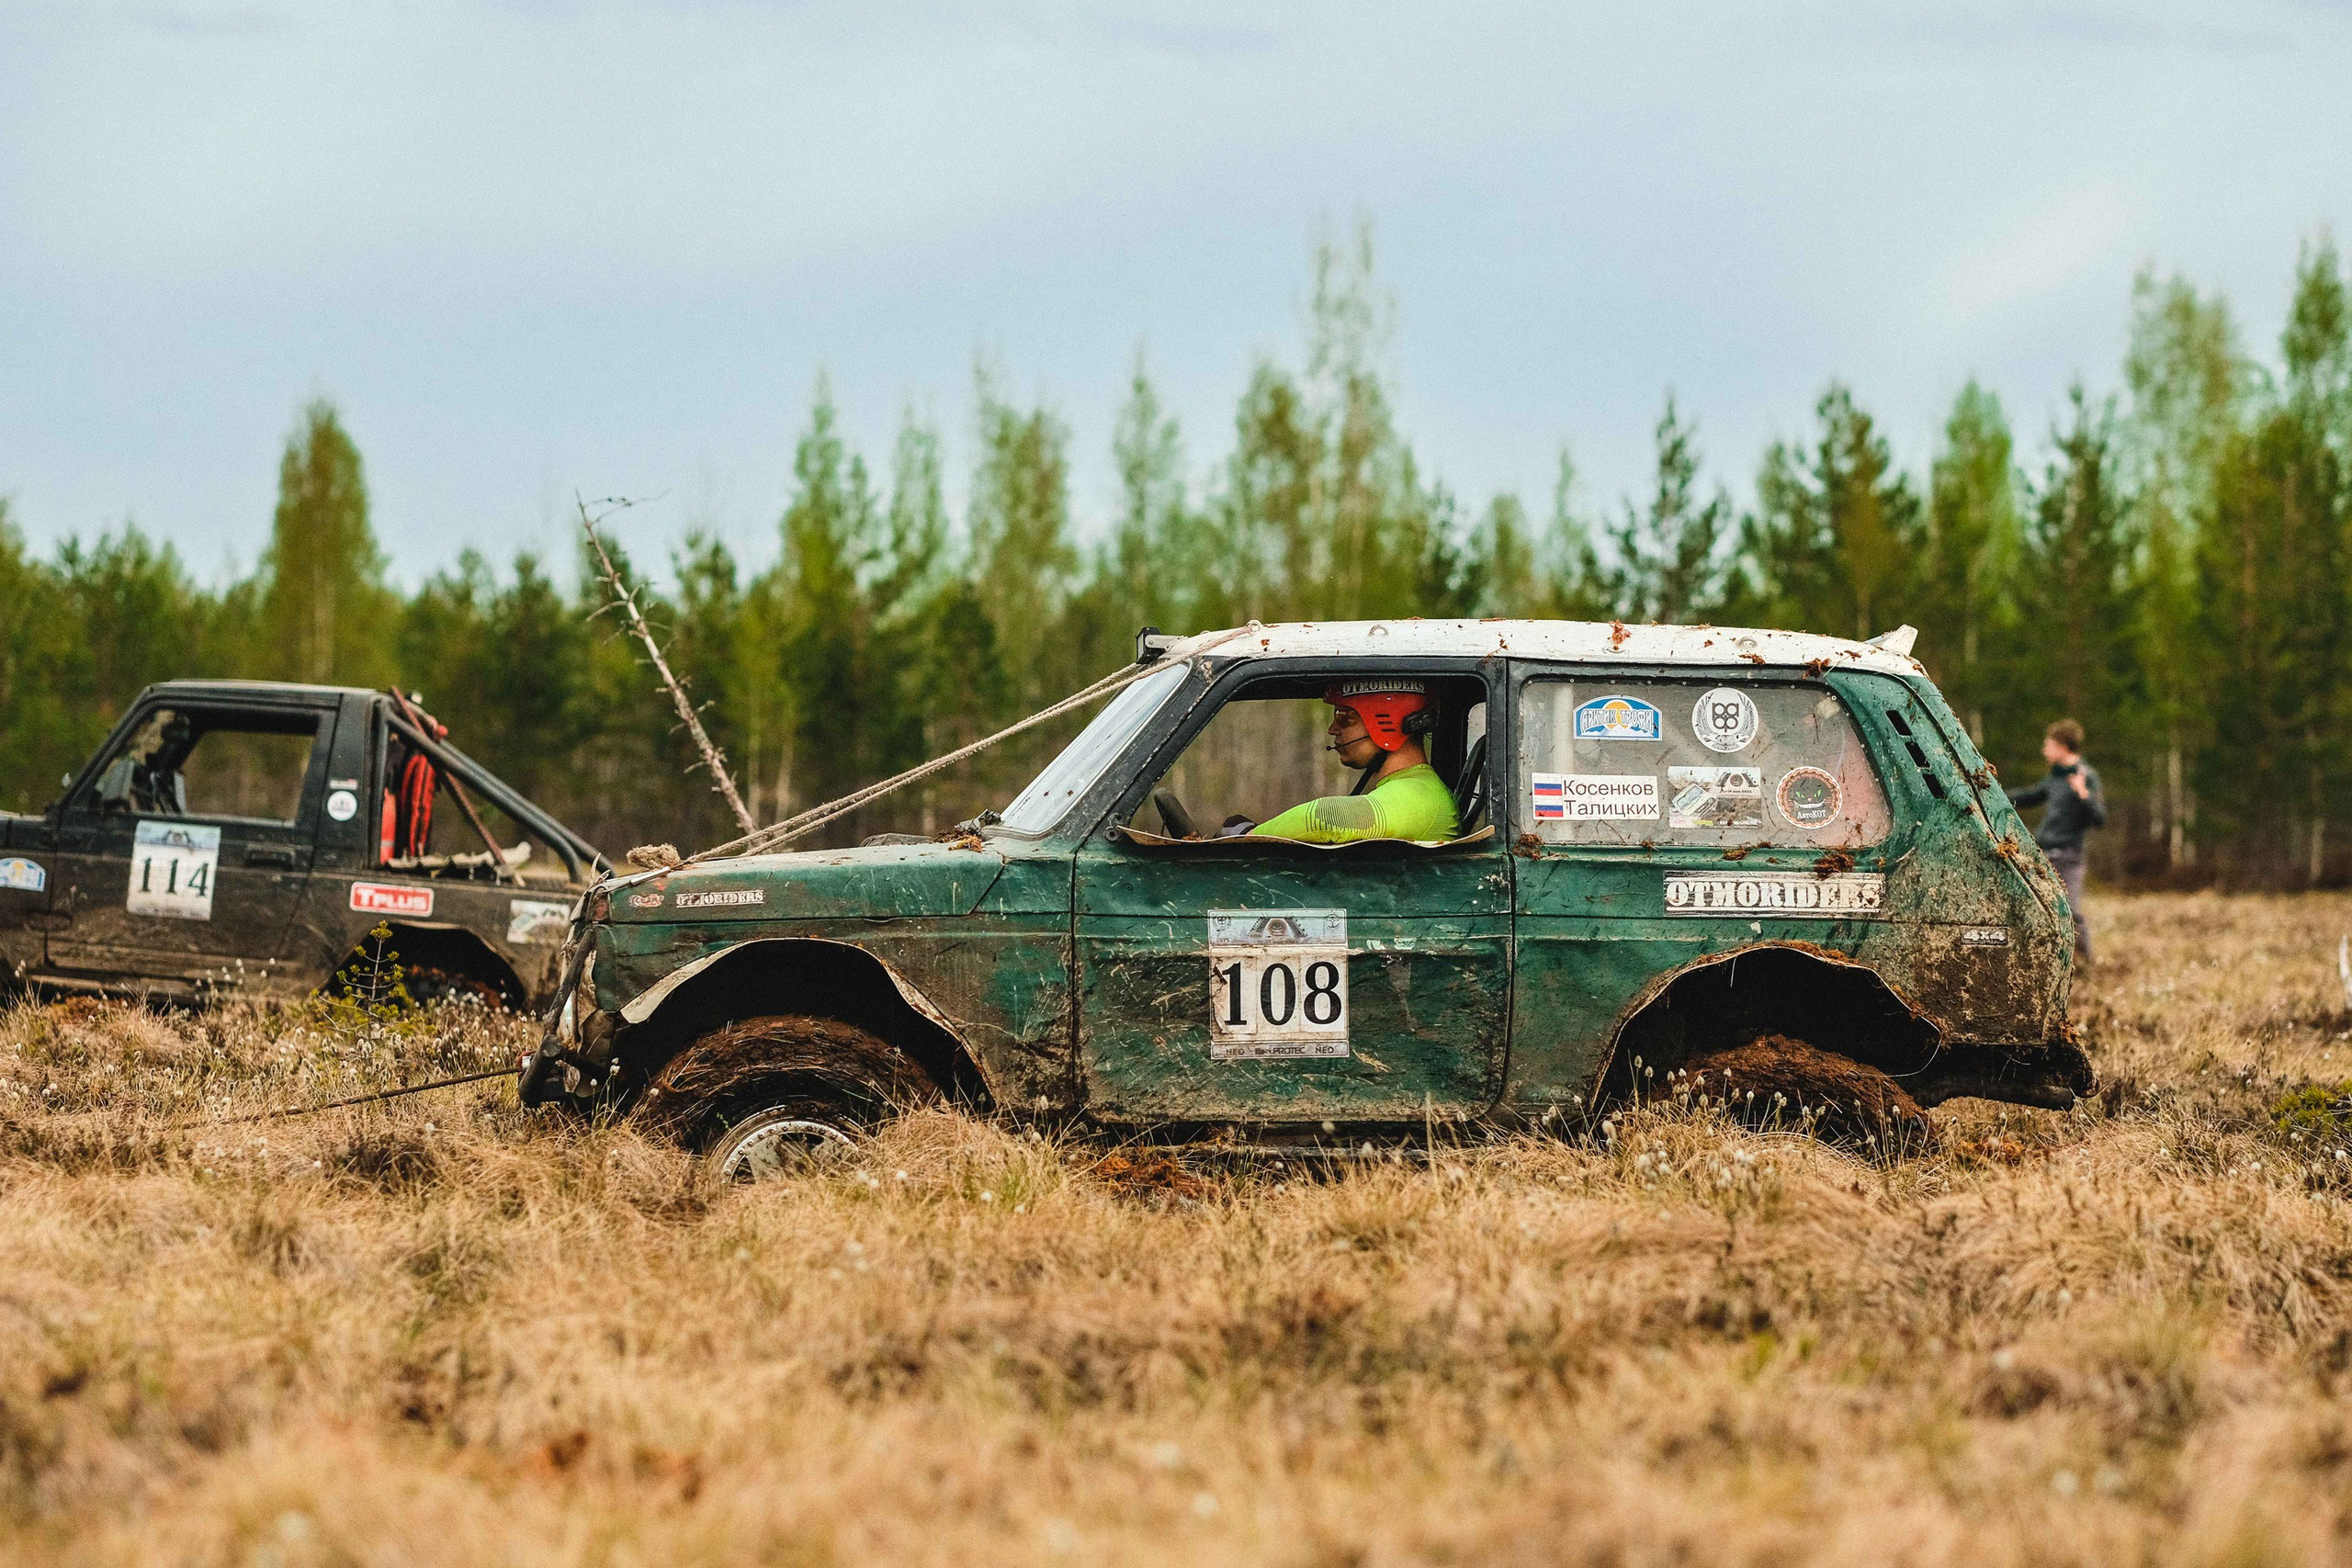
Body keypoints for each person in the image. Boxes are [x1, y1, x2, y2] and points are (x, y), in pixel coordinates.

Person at [1248, 680, 1460, 843]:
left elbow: (1327, 818)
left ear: (1386, 721)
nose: (1332, 729)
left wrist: (1248, 835)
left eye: (1345, 717)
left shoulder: (1420, 795)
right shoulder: (1415, 788)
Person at [2007, 717, 2106, 963]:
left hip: (2069, 856)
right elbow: (2029, 797)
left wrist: (2084, 794)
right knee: (2032, 909)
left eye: (2048, 745)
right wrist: (1992, 793)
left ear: (2062, 746)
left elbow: (2100, 819)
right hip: (2043, 855)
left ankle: (2084, 963)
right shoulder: (2055, 778)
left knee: (2071, 912)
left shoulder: (2087, 777)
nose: (2044, 750)